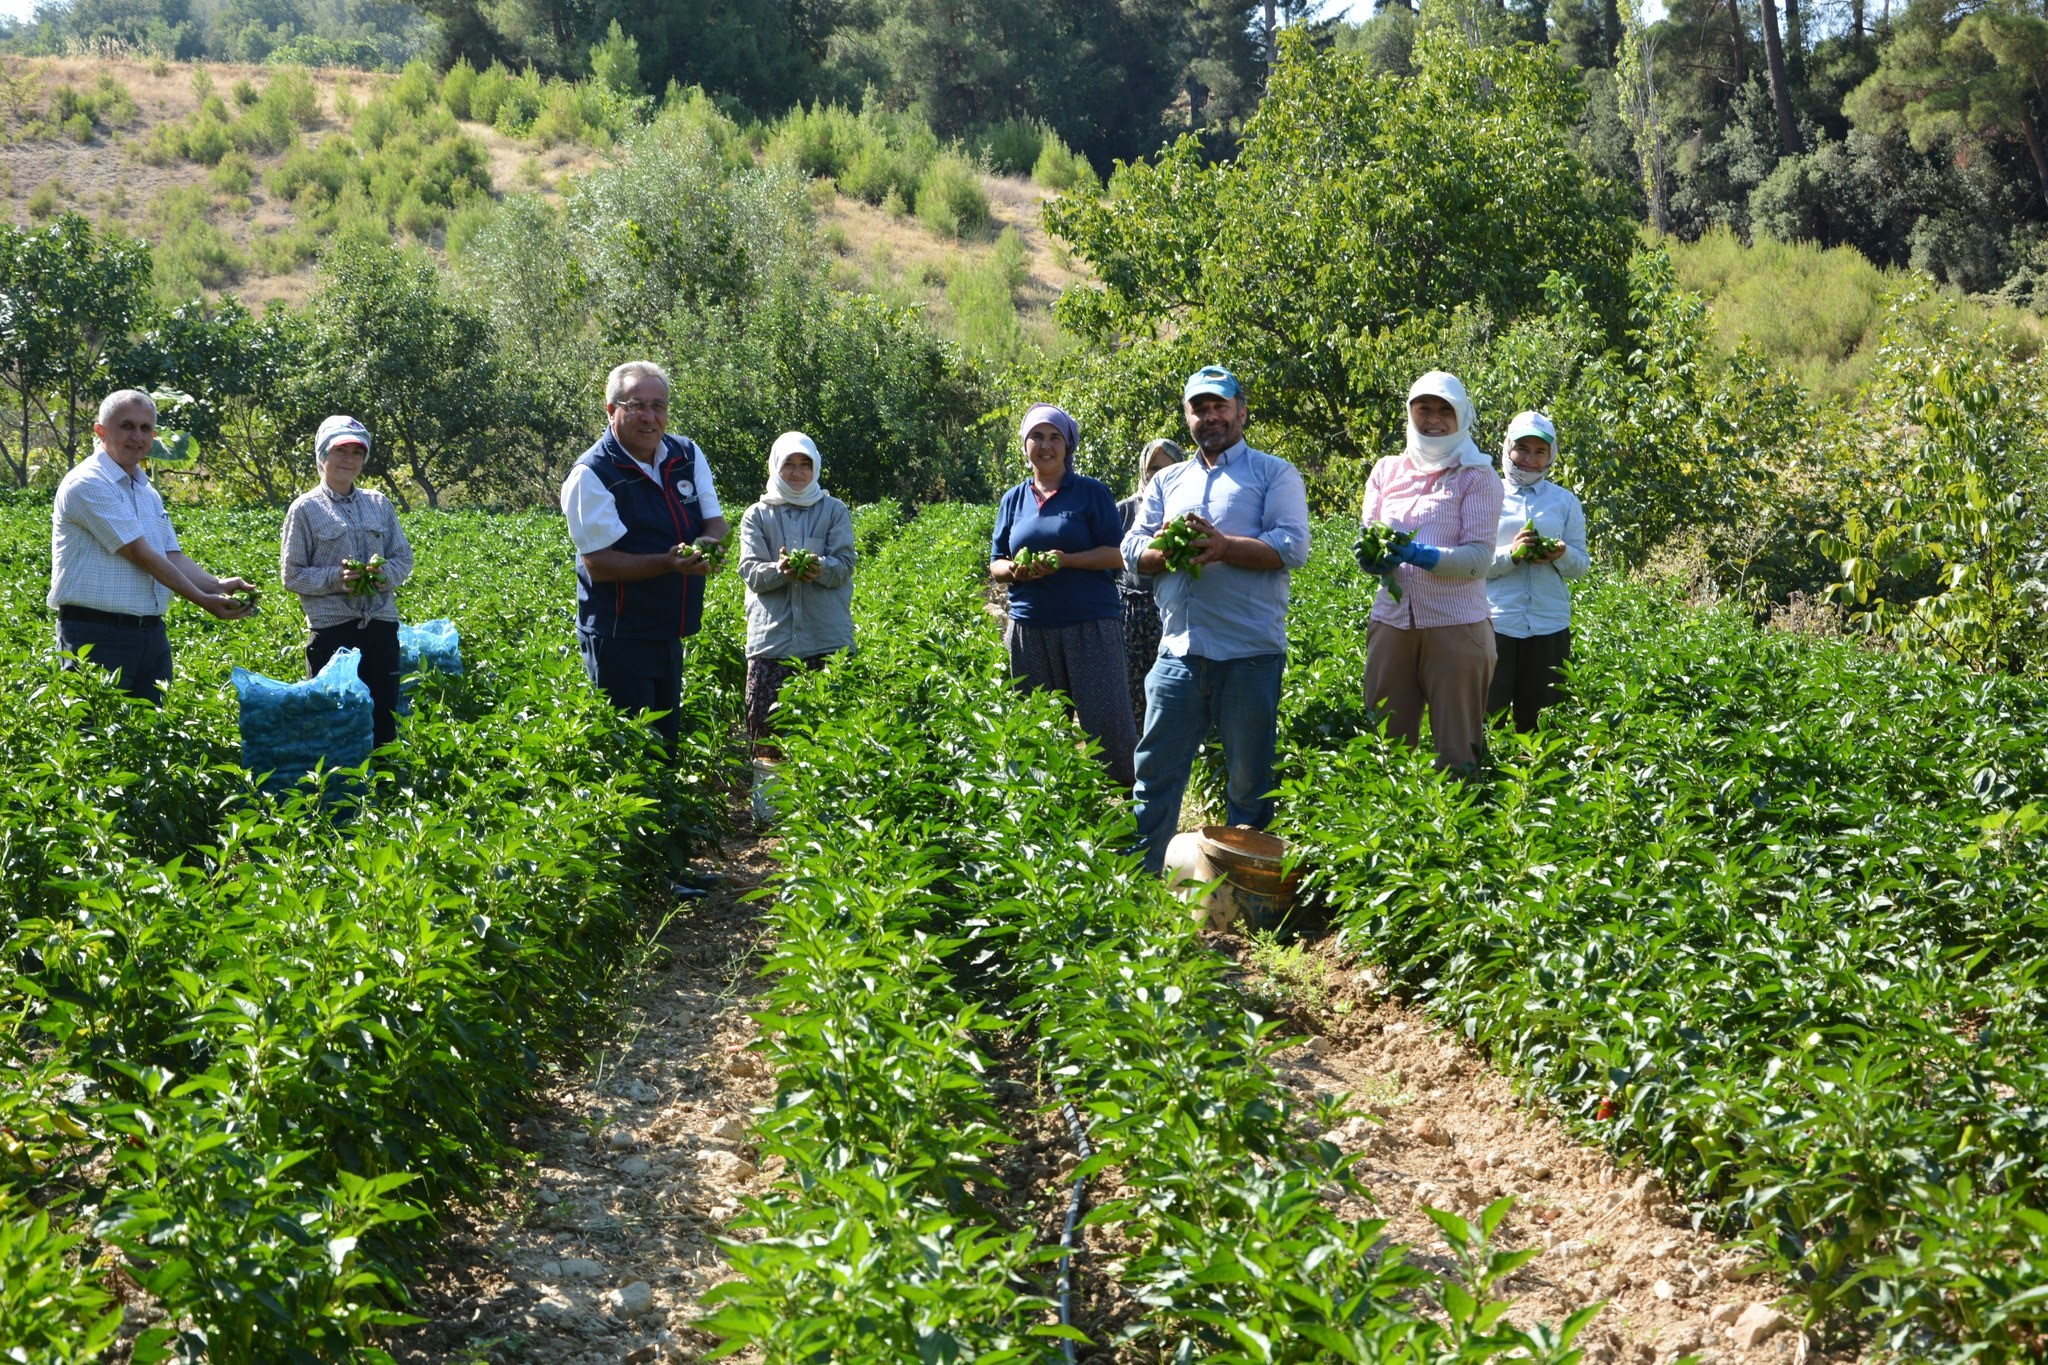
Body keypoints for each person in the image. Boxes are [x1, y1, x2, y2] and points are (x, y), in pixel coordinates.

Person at [1122, 367, 1310, 872]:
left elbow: (1291, 546)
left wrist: (1224, 547)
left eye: (1219, 406)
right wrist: (1168, 551)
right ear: (1187, 417)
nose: (1210, 416)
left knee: (1250, 782)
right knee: (1155, 774)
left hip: (1249, 653)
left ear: (1241, 411)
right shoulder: (1167, 480)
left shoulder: (1274, 473)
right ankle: (1143, 882)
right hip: (1178, 650)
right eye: (1199, 408)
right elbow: (1132, 548)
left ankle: (1240, 886)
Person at [560, 361, 728, 756]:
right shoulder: (592, 474)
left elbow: (716, 522)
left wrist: (705, 545)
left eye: (659, 406)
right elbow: (600, 565)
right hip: (620, 634)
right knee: (632, 750)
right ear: (611, 409)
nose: (650, 417)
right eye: (636, 405)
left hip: (669, 626)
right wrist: (670, 563)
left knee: (664, 743)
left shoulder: (685, 454)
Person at [48, 389, 257, 703]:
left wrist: (216, 586)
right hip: (95, 635)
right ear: (101, 431)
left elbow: (170, 555)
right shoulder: (88, 482)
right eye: (127, 426)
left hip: (149, 635)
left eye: (145, 428)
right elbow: (140, 554)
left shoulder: (146, 492)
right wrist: (203, 600)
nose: (137, 436)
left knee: (151, 736)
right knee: (95, 739)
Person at [1356, 371, 1505, 773]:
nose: (1433, 418)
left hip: (1456, 627)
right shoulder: (1387, 470)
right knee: (1387, 745)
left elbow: (1478, 558)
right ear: (1410, 412)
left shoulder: (1477, 475)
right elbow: (1369, 534)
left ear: (1461, 417)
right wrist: (1371, 558)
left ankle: (1463, 833)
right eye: (1424, 408)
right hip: (1391, 622)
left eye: (1445, 410)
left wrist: (1420, 554)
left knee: (1458, 752)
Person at [989, 403, 1136, 785]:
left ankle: (1130, 817)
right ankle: (1046, 819)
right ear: (1025, 445)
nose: (1045, 445)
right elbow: (996, 562)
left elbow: (1118, 554)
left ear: (1068, 446)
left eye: (1055, 437)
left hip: (1089, 624)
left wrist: (1066, 560)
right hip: (1029, 628)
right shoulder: (1013, 499)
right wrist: (1015, 570)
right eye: (1036, 436)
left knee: (1108, 729)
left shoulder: (1090, 493)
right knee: (1037, 731)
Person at [280, 415, 415, 749]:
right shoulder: (306, 509)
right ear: (322, 455)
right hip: (332, 630)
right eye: (340, 450)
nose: (349, 459)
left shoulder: (379, 504)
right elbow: (292, 574)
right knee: (333, 720)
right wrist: (337, 579)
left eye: (357, 452)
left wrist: (383, 576)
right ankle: (339, 795)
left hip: (381, 626)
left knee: (383, 719)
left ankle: (384, 792)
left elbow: (403, 558)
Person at [737, 431, 855, 752]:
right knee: (769, 738)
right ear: (776, 467)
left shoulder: (833, 510)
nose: (798, 472)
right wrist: (780, 570)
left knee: (832, 742)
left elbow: (845, 564)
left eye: (805, 464)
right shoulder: (757, 516)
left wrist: (821, 568)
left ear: (815, 468)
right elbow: (750, 571)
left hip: (827, 642)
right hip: (772, 645)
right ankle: (767, 804)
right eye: (789, 463)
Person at [1484, 410, 1589, 733]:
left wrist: (1561, 554)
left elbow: (1581, 566)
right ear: (1508, 449)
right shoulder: (1487, 494)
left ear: (1551, 455)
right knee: (1488, 716)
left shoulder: (1564, 501)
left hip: (1548, 624)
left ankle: (1539, 783)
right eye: (1523, 449)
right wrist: (1510, 556)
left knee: (1544, 722)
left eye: (1540, 451)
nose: (1530, 459)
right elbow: (1469, 563)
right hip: (1497, 622)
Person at [1115, 437, 1183, 734]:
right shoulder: (1126, 510)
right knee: (1131, 691)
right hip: (1129, 611)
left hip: (1169, 610)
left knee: (1170, 693)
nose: (1160, 475)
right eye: (1153, 468)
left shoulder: (1185, 512)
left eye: (1169, 468)